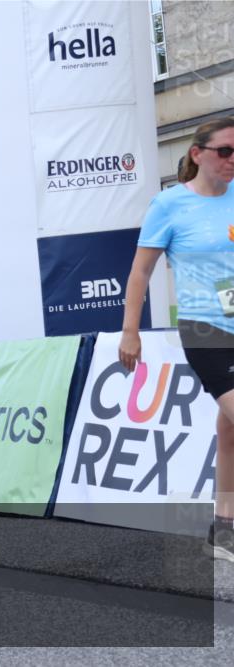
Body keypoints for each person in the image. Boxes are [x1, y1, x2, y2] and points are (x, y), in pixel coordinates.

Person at [119, 117, 234, 562]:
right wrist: (131, 331)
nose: (231, 160)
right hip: (207, 329)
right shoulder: (168, 205)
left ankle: (224, 531)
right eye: (224, 151)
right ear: (197, 154)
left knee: (229, 433)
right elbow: (140, 273)